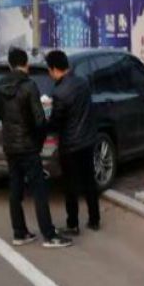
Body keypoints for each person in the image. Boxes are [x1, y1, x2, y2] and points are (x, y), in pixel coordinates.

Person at [0, 48, 72, 249]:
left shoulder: (0, 86)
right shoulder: (29, 86)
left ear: (10, 65)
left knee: (15, 189)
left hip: (10, 146)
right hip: (28, 147)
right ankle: (49, 235)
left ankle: (19, 233)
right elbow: (39, 120)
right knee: (39, 191)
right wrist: (39, 141)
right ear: (26, 64)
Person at [45, 50, 101, 234]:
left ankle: (73, 224)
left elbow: (56, 122)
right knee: (89, 181)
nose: (49, 74)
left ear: (54, 69)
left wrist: (45, 117)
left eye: (49, 70)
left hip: (70, 145)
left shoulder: (59, 92)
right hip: (87, 140)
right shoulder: (83, 83)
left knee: (70, 187)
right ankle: (94, 219)